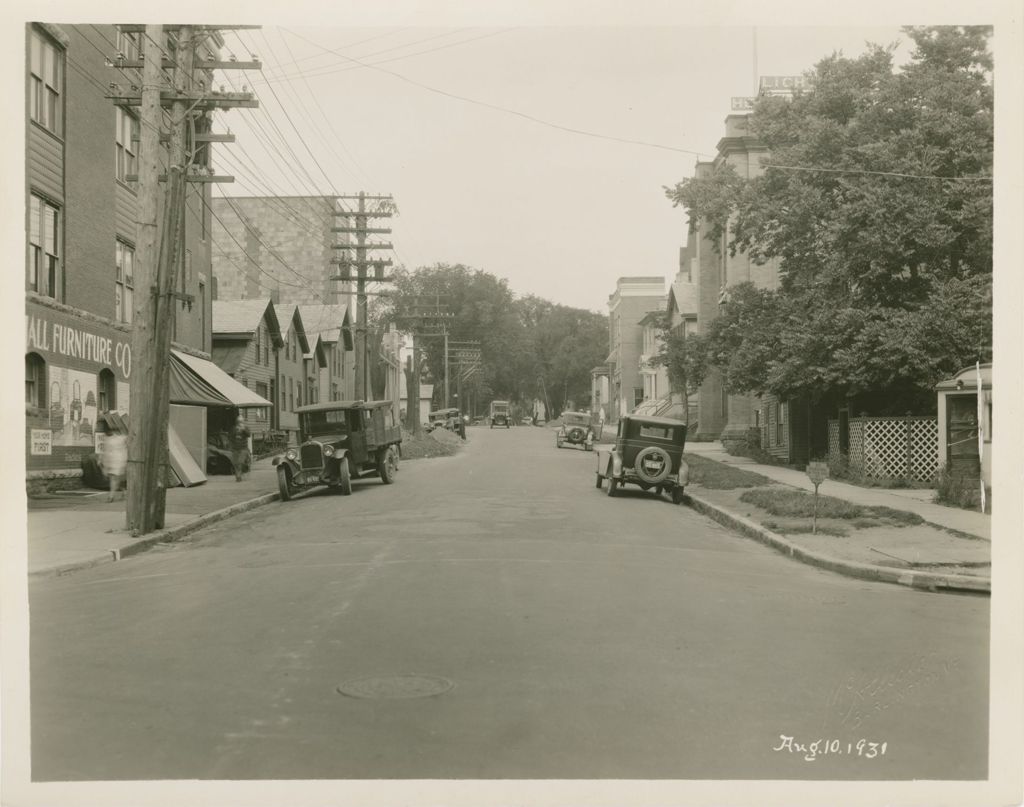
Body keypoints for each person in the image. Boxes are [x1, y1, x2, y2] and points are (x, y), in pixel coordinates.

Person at [100, 429, 127, 502]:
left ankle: (111, 497)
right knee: (117, 479)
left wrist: (104, 465)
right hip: (116, 462)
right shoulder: (120, 439)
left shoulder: (115, 440)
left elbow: (106, 453)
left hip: (117, 462)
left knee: (114, 479)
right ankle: (124, 492)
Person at [229, 415, 251, 482]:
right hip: (235, 448)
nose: (240, 423)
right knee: (235, 463)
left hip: (243, 448)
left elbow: (249, 435)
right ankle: (238, 476)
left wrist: (244, 430)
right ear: (237, 422)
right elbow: (230, 437)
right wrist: (231, 445)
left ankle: (239, 474)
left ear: (243, 422)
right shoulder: (234, 428)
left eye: (241, 422)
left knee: (240, 462)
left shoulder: (245, 428)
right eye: (238, 422)